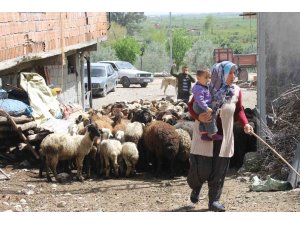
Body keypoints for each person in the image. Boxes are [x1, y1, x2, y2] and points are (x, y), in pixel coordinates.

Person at [187, 61, 254, 212]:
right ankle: (196, 186)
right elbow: (191, 106)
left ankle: (214, 201)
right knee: (202, 169)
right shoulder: (206, 86)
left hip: (224, 135)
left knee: (219, 169)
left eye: (234, 72)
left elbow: (239, 111)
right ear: (220, 73)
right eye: (230, 72)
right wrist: (198, 116)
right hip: (205, 133)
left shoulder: (236, 91)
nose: (233, 76)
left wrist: (245, 124)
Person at [192, 69, 222, 141]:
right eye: (206, 77)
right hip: (201, 106)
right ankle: (213, 134)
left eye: (209, 77)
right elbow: (200, 100)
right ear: (198, 78)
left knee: (203, 120)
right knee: (210, 117)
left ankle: (204, 134)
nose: (208, 79)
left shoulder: (202, 86)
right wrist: (206, 108)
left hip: (200, 105)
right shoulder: (199, 88)